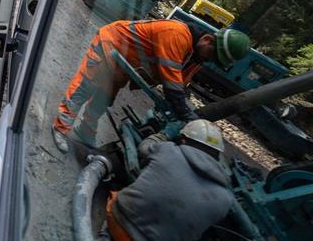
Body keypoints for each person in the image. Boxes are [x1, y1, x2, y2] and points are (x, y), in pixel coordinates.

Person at [52, 20, 250, 153]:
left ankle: (85, 131)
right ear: (207, 40)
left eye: (215, 60)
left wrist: (182, 107)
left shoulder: (196, 57)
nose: (209, 60)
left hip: (126, 60)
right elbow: (172, 84)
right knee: (86, 86)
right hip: (112, 43)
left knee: (105, 96)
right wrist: (185, 114)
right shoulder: (177, 34)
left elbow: (180, 87)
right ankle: (61, 127)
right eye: (212, 55)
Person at [96, 119, 235, 241]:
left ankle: (107, 237)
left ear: (183, 140)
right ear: (217, 155)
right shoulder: (225, 199)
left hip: (119, 226)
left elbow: (143, 148)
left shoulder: (168, 150)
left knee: (119, 196)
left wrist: (164, 134)